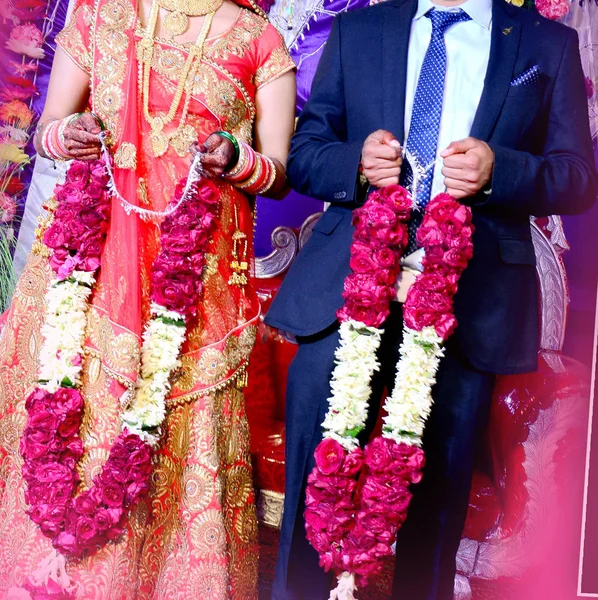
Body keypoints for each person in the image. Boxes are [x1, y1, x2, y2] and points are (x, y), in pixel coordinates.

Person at [265, 0, 597, 598]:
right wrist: (357, 164)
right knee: (314, 490)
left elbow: (576, 175)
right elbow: (308, 150)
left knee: (436, 506)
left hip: (469, 305)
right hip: (345, 291)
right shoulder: (361, 27)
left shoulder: (546, 45)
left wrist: (502, 172)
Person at [0, 0, 295, 597]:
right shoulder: (100, 15)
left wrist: (236, 159)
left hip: (197, 280)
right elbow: (48, 127)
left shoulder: (260, 42)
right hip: (92, 260)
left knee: (171, 422)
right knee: (71, 409)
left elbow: (279, 171)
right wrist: (68, 134)